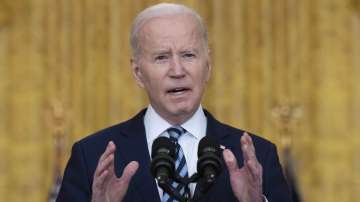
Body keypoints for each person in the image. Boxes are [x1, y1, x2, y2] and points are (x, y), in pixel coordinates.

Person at [56, 3, 292, 202]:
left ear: (207, 66)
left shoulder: (258, 156)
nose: (177, 71)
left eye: (188, 55)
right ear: (138, 73)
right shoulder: (91, 157)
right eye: (161, 57)